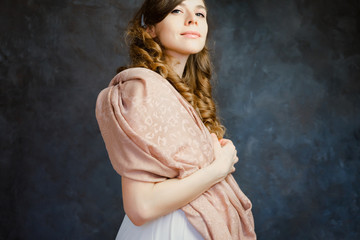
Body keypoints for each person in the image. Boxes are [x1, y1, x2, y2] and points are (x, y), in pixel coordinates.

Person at [95, 0, 256, 239]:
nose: (192, 19)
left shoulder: (181, 93)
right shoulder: (144, 89)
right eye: (177, 10)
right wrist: (218, 168)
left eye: (200, 13)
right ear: (151, 29)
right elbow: (141, 207)